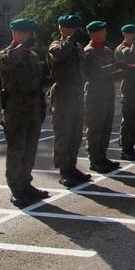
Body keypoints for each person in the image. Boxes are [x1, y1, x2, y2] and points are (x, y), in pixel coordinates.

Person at [0, 18, 48, 207]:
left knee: (30, 149)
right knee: (16, 151)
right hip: (15, 110)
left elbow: (37, 82)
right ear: (16, 33)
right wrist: (22, 46)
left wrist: (42, 106)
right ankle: (17, 189)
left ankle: (26, 184)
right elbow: (7, 63)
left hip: (33, 109)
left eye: (31, 34)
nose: (30, 37)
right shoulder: (6, 54)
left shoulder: (32, 56)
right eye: (27, 33)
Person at [47, 15, 92, 187]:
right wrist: (68, 39)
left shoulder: (78, 47)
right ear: (63, 28)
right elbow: (58, 56)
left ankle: (72, 166)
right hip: (63, 96)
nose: (75, 32)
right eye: (72, 28)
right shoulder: (56, 45)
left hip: (77, 95)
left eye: (76, 29)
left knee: (75, 134)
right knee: (63, 134)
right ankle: (63, 171)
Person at [83, 21, 121, 173]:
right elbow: (94, 73)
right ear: (94, 33)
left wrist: (121, 69)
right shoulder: (88, 52)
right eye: (103, 31)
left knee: (106, 127)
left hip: (108, 93)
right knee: (95, 128)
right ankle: (95, 159)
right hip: (95, 95)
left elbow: (110, 70)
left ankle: (102, 156)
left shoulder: (106, 50)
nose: (105, 33)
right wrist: (115, 67)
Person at [114, 24, 135, 161]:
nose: (134, 36)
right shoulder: (122, 49)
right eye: (132, 34)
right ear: (126, 34)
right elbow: (128, 57)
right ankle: (125, 148)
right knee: (128, 119)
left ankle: (131, 146)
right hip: (128, 87)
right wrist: (133, 46)